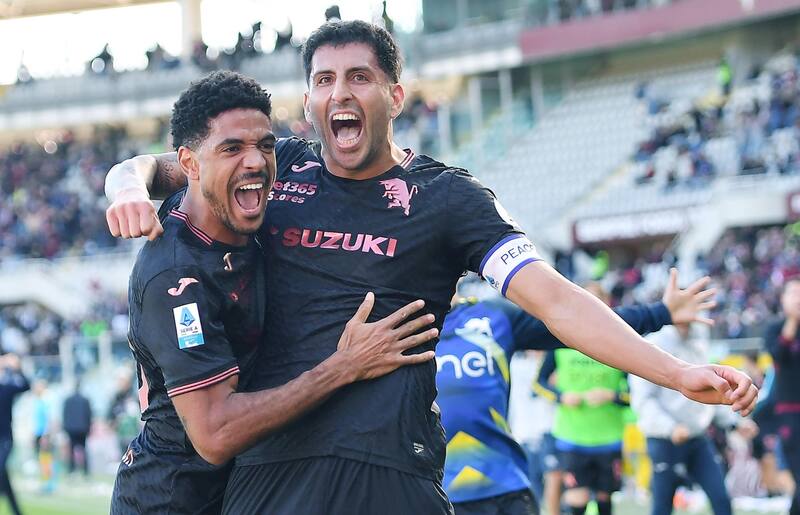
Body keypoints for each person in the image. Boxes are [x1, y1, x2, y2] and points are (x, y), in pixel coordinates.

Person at [104, 21, 757, 514]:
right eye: (324, 80)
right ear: (308, 102)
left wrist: (674, 370)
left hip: (392, 470)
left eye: (359, 76)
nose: (340, 92)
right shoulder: (278, 167)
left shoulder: (449, 199)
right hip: (272, 470)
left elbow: (556, 301)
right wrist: (126, 189)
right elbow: (159, 167)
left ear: (396, 94)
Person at [111, 70, 438, 514]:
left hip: (247, 490)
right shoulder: (175, 277)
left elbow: (142, 166)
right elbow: (215, 434)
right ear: (190, 165)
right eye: (232, 148)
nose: (256, 161)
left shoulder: (249, 199)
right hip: (171, 499)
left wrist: (128, 184)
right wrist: (343, 367)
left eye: (264, 145)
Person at [437, 269, 718, 515]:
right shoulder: (397, 329)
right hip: (433, 491)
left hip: (503, 489)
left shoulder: (492, 317)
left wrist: (661, 313)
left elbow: (582, 323)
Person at [630, 323, 757, 515]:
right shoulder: (653, 343)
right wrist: (671, 428)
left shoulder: (699, 340)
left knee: (721, 499)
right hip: (665, 440)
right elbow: (643, 400)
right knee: (662, 506)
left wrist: (735, 423)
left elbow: (710, 391)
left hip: (697, 438)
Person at [764, 277, 800, 515]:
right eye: (794, 294)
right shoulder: (775, 329)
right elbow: (779, 355)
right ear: (783, 299)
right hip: (790, 414)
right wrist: (793, 321)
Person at [0, 354, 28, 515]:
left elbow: (26, 385)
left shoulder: (7, 388)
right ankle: (17, 511)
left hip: (4, 438)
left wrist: (17, 367)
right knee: (4, 477)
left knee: (0, 468)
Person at [62, 381, 92, 476]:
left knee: (71, 449)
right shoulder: (85, 400)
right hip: (83, 428)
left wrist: (65, 427)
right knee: (84, 449)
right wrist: (88, 427)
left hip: (71, 428)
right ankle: (85, 470)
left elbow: (65, 414)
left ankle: (72, 469)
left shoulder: (68, 400)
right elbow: (88, 415)